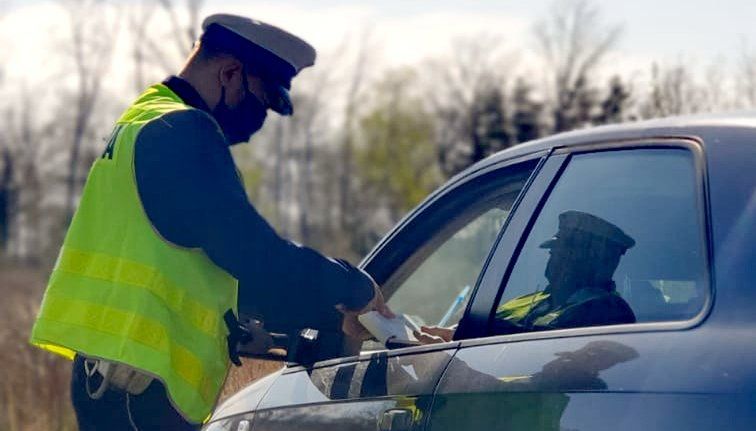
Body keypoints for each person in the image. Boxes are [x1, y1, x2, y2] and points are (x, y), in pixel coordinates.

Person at [29, 14, 391, 430]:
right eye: (260, 102)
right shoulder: (183, 131)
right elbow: (252, 254)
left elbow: (202, 264)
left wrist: (327, 317)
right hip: (140, 391)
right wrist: (353, 287)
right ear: (230, 73)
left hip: (114, 379)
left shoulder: (144, 118)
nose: (259, 122)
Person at [414, 210, 636, 344]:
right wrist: (453, 334)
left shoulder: (607, 311)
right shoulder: (531, 301)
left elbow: (549, 347)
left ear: (599, 261)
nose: (554, 259)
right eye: (553, 251)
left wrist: (479, 331)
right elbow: (483, 328)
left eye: (565, 252)